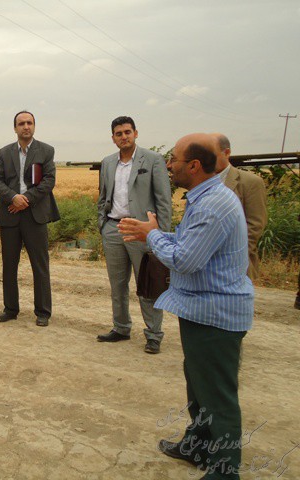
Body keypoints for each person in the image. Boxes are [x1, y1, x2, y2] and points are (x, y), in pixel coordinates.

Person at [119, 133, 253, 480]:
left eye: (174, 159)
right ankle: (197, 446)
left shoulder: (213, 205)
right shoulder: (204, 197)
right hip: (202, 312)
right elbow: (187, 242)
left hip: (216, 316)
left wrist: (152, 236)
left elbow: (185, 259)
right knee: (199, 387)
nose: (169, 165)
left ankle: (225, 471)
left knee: (217, 397)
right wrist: (154, 233)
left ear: (194, 166)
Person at [96, 116, 172, 354]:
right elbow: (103, 196)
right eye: (119, 134)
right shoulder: (108, 162)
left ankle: (153, 334)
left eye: (127, 132)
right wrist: (102, 224)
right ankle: (121, 327)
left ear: (136, 133)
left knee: (147, 284)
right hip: (113, 228)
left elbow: (163, 201)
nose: (124, 137)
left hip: (141, 230)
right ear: (113, 138)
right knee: (117, 284)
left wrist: (160, 235)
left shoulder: (153, 160)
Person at [0, 111, 60, 327]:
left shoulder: (46, 150)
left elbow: (49, 180)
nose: (26, 126)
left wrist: (25, 199)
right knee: (9, 265)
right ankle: (10, 309)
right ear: (15, 128)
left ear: (34, 126)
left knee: (40, 266)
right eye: (21, 123)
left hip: (35, 215)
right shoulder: (5, 152)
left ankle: (43, 311)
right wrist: (13, 197)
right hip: (10, 214)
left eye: (29, 123)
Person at [211, 133, 267, 279]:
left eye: (212, 155)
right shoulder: (200, 181)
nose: (207, 160)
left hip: (237, 265)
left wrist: (231, 253)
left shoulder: (250, 182)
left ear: (227, 153)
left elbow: (255, 224)